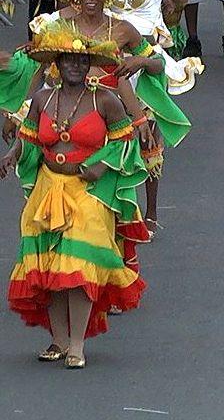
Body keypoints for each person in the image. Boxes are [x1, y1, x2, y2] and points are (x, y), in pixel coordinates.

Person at [0, 20, 149, 369]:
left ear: (89, 65)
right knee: (50, 266)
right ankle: (59, 340)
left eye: (82, 62)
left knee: (78, 265)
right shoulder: (41, 99)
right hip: (48, 191)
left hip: (89, 192)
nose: (75, 66)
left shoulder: (106, 99)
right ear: (57, 63)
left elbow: (125, 140)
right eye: (68, 60)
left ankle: (77, 346)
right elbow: (30, 138)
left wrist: (100, 167)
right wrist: (10, 156)